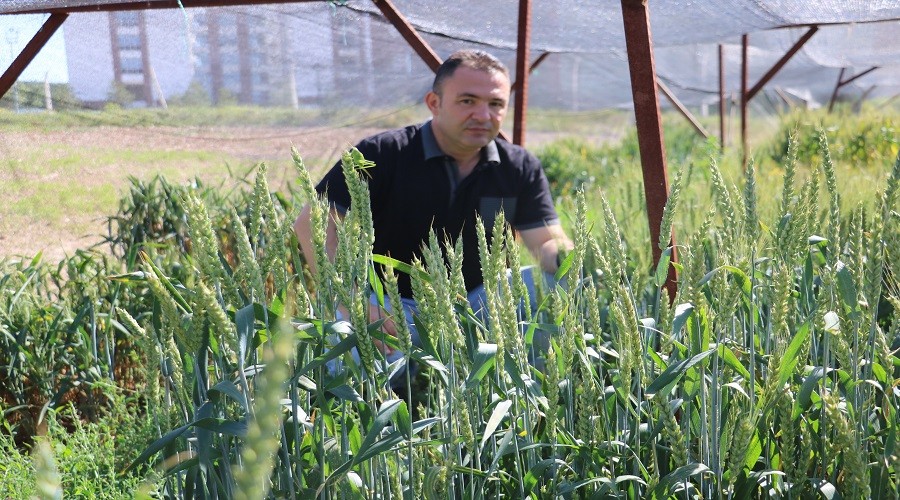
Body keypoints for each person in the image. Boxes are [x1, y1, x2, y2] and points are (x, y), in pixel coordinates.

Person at [293, 49, 572, 361]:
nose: (483, 115)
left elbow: (545, 241)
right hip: (396, 307)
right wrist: (352, 301)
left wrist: (566, 255)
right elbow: (312, 222)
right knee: (351, 348)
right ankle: (395, 398)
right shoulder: (382, 153)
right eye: (468, 101)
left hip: (483, 304)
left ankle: (517, 391)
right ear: (434, 103)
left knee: (552, 284)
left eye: (495, 104)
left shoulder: (519, 166)